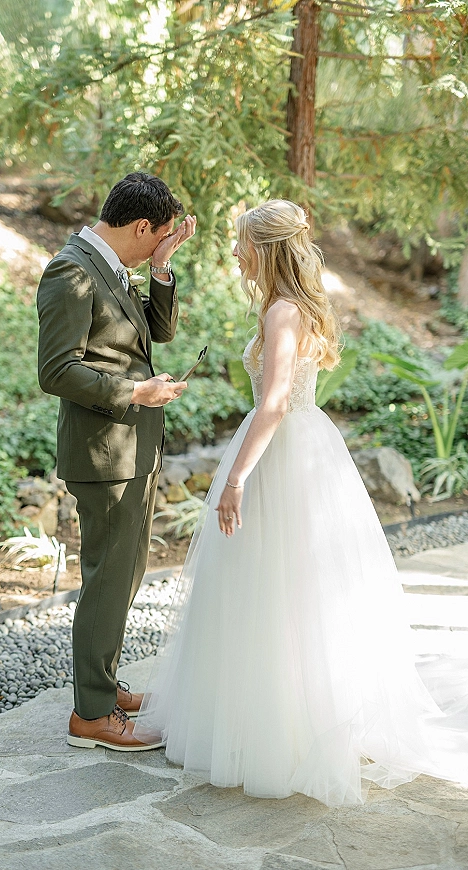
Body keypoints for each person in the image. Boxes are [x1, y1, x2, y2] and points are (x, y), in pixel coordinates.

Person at [135, 199, 468, 805]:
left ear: (265, 249)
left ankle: (276, 736)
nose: (234, 253)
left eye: (241, 244)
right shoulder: (290, 304)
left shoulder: (284, 312)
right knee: (286, 589)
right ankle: (287, 715)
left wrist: (235, 479)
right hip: (302, 447)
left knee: (276, 588)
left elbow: (275, 402)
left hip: (283, 453)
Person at [37, 172, 196, 751]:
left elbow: (158, 333)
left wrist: (161, 270)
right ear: (141, 226)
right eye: (157, 239)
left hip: (134, 448)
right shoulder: (71, 271)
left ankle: (102, 684)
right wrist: (134, 393)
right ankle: (92, 715)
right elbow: (55, 370)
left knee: (124, 575)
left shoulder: (113, 266)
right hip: (105, 453)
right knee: (107, 580)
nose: (158, 244)